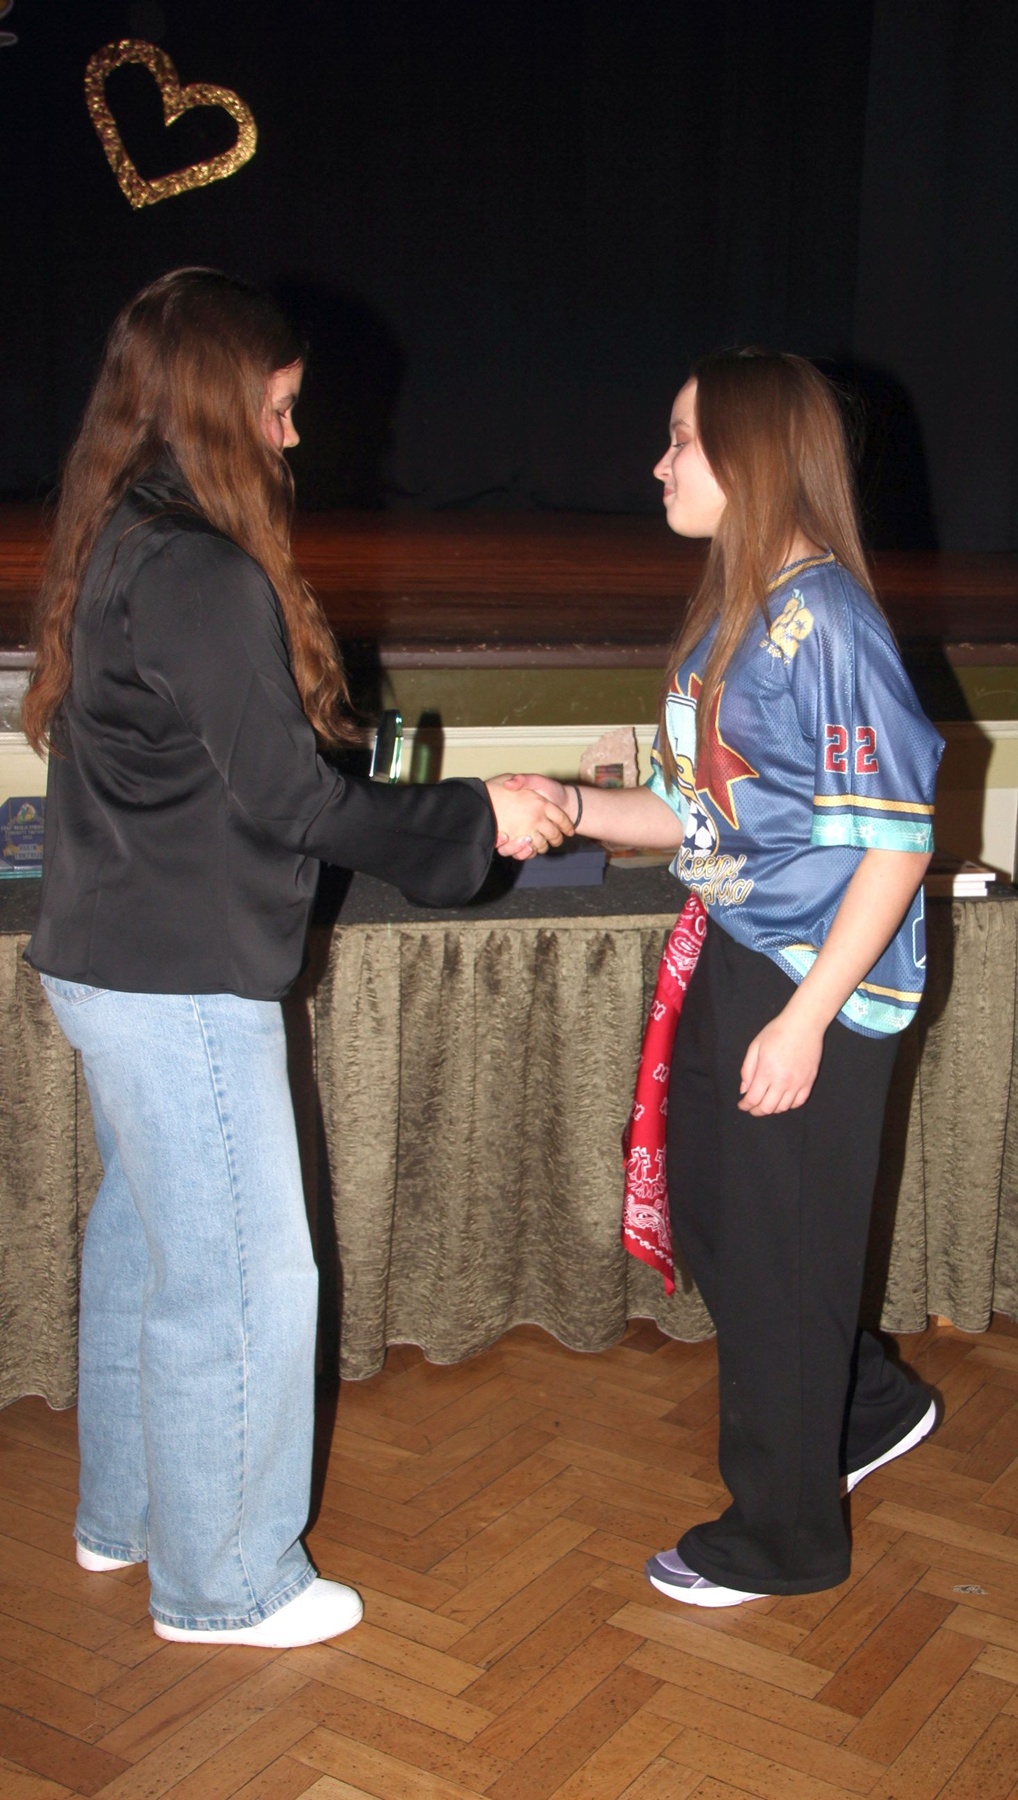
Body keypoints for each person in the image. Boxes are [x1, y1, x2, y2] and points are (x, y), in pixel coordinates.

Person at [22, 268, 571, 1648]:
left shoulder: (121, 533)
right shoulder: (198, 568)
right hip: (176, 980)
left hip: (110, 957)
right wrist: (478, 819)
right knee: (246, 1279)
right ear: (219, 402)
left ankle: (125, 1518)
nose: (292, 435)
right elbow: (295, 804)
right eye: (277, 408)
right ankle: (224, 1584)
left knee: (148, 1241)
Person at [506, 348, 944, 1604]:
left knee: (779, 1250)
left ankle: (785, 1538)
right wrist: (569, 807)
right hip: (740, 946)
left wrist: (806, 1022)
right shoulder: (732, 610)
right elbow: (694, 814)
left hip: (815, 978)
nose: (659, 464)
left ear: (753, 455)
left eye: (682, 439)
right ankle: (863, 1402)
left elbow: (898, 844)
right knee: (720, 1217)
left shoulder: (829, 623)